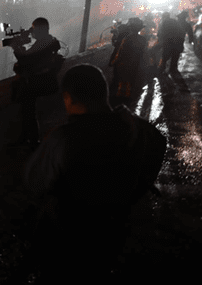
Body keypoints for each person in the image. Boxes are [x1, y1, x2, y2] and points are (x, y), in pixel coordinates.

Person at [23, 64, 166, 283]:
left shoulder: (63, 139)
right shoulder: (140, 130)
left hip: (67, 239)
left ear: (69, 98)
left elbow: (35, 183)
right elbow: (152, 161)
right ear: (104, 92)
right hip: (114, 233)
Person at [9, 17, 63, 148]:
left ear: (39, 29)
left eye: (33, 28)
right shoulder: (50, 41)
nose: (32, 31)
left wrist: (16, 46)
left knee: (27, 110)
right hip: (46, 81)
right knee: (27, 110)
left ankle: (32, 141)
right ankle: (26, 137)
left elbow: (26, 59)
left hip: (40, 82)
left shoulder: (43, 43)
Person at [109, 17, 148, 106]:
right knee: (131, 83)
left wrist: (113, 62)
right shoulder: (142, 39)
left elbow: (120, 53)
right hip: (135, 66)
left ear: (130, 27)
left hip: (123, 66)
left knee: (119, 83)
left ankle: (118, 103)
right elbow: (144, 53)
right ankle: (128, 102)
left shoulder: (127, 39)